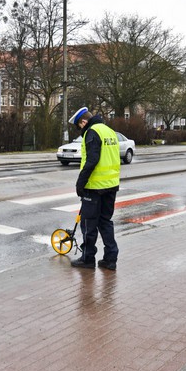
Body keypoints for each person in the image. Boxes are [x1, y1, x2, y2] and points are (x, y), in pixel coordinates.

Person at [68, 107, 120, 270]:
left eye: (79, 126)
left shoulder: (92, 132)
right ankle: (110, 259)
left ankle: (88, 258)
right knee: (105, 222)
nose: (80, 130)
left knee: (88, 224)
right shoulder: (110, 131)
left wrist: (80, 183)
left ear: (83, 122)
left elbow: (92, 160)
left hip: (94, 187)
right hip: (111, 185)